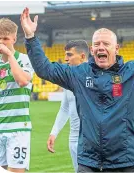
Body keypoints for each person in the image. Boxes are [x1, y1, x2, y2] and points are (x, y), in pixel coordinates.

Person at [20, 2, 134, 172]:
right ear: (91, 49)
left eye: (106, 44)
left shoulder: (133, 73)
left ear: (116, 48)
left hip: (125, 162)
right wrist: (31, 38)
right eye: (97, 44)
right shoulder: (79, 74)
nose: (101, 47)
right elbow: (46, 70)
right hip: (89, 162)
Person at [0, 18, 34, 173]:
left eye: (6, 39)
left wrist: (9, 55)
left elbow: (22, 81)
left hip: (17, 129)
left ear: (14, 39)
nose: (1, 42)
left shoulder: (24, 59)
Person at [46, 40, 89, 172]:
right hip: (74, 139)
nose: (66, 59)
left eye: (69, 55)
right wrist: (54, 133)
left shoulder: (96, 76)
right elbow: (65, 108)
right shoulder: (68, 78)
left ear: (82, 56)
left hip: (92, 140)